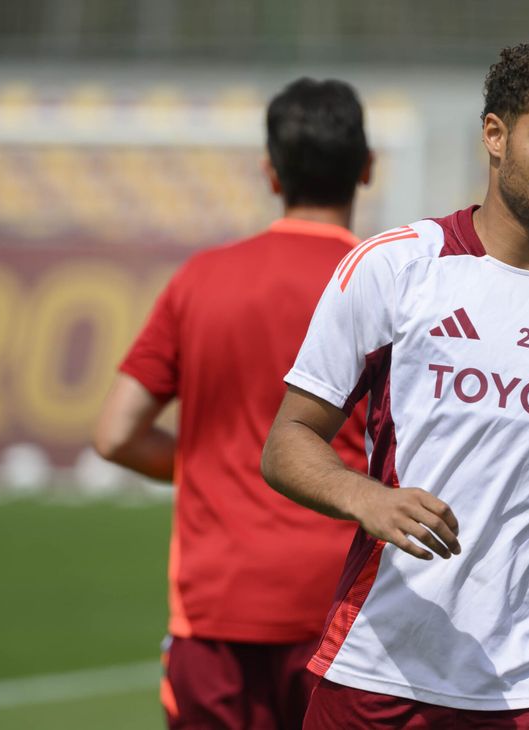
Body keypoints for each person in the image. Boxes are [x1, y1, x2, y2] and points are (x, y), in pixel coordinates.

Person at [260, 38, 529, 729]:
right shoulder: (396, 269)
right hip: (380, 660)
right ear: (494, 134)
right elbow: (288, 440)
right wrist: (365, 497)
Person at [93, 78, 373, 730]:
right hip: (344, 607)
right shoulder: (386, 284)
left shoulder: (201, 278)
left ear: (270, 173)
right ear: (367, 168)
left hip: (217, 607)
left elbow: (115, 433)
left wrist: (209, 469)